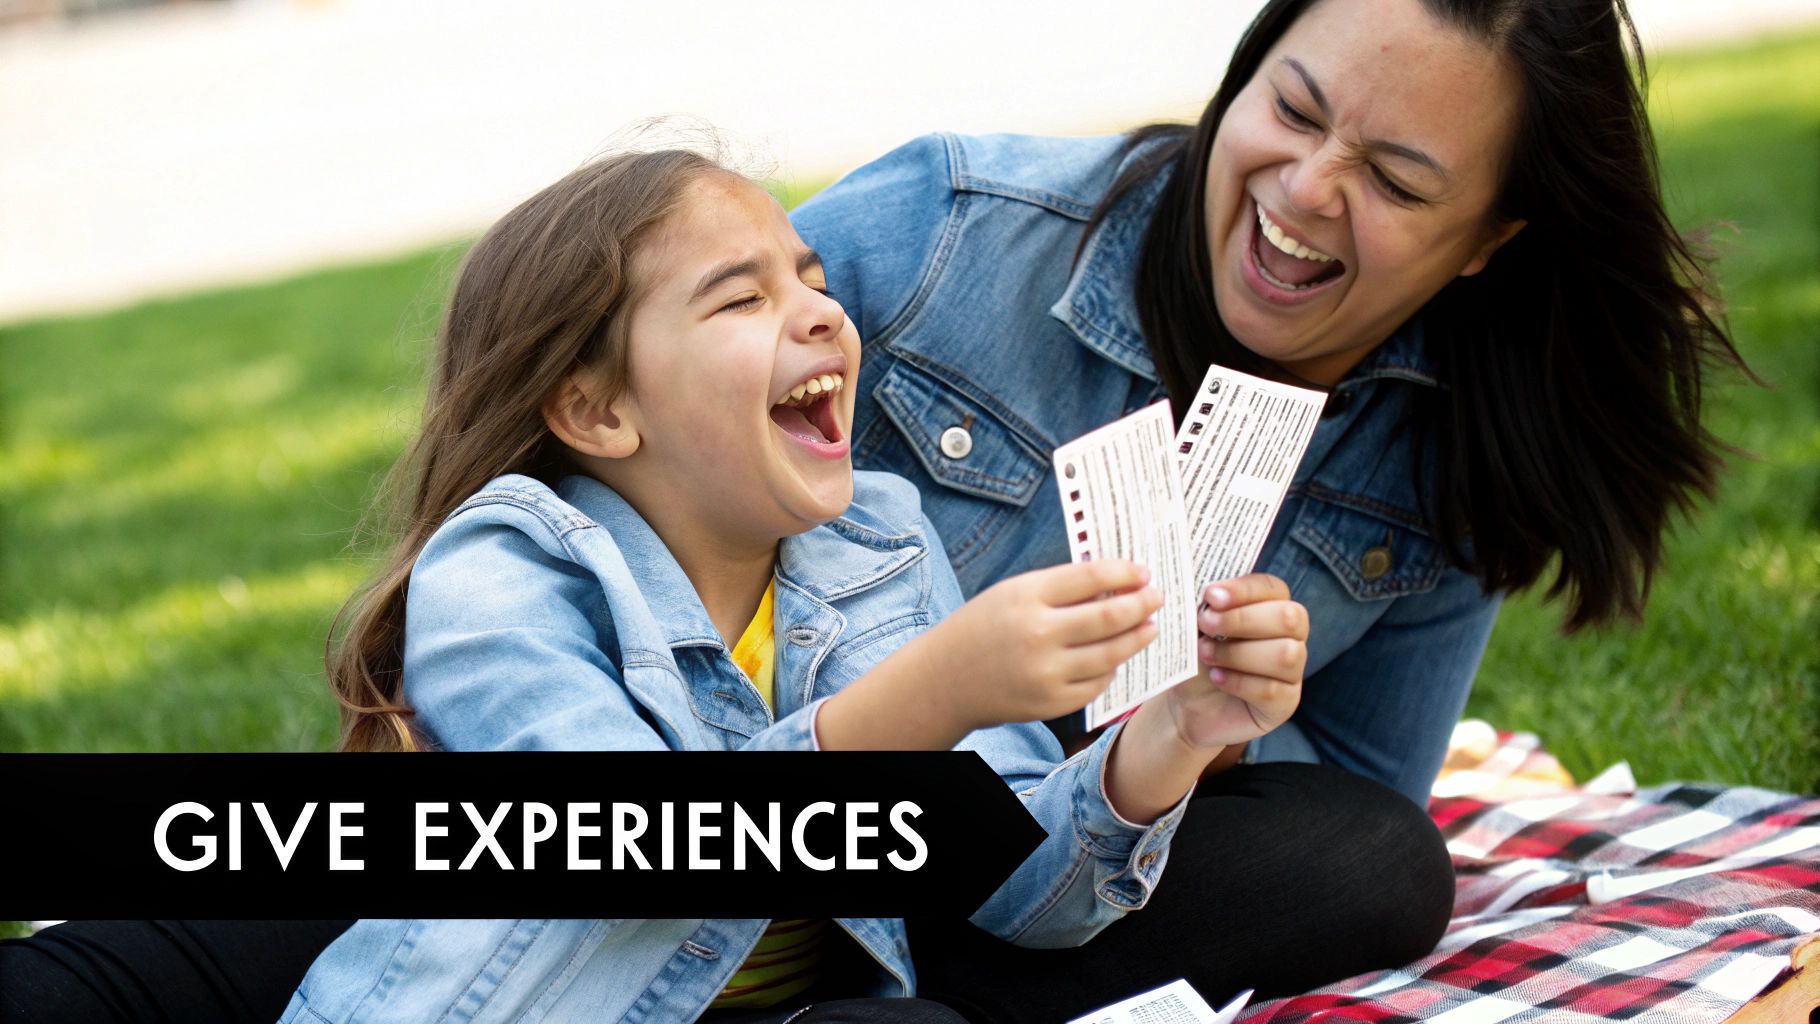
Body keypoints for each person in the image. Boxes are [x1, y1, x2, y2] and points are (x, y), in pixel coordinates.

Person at [277, 144, 1336, 1023]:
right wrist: (933, 693)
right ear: (598, 411)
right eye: (740, 298)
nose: (820, 314)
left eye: (814, 281)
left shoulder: (879, 543)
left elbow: (1019, 896)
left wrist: (1176, 732)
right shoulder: (508, 570)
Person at [791, 0, 1743, 809]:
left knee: (1382, 869)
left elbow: (1357, 793)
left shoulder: (1454, 444)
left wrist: (1219, 727)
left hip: (1089, 866)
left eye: (1396, 182)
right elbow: (653, 420)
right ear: (1243, 75)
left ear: (1485, 240)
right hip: (783, 810)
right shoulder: (946, 230)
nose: (1308, 187)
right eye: (1294, 109)